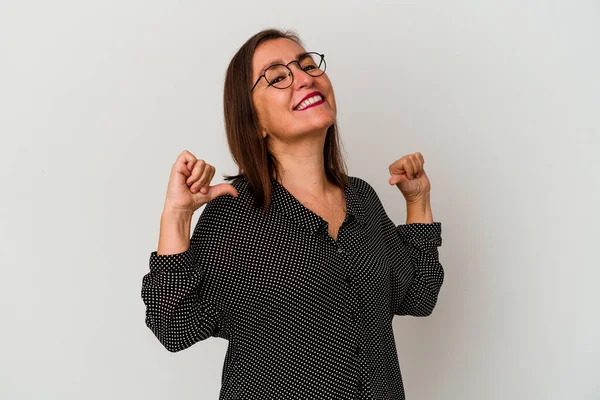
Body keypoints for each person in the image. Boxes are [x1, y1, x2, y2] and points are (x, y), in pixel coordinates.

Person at [141, 28, 444, 400]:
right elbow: (174, 326)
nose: (303, 78)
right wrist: (176, 216)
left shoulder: (362, 198)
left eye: (307, 65)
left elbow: (419, 295)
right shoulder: (234, 215)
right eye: (278, 77)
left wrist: (418, 202)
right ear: (254, 122)